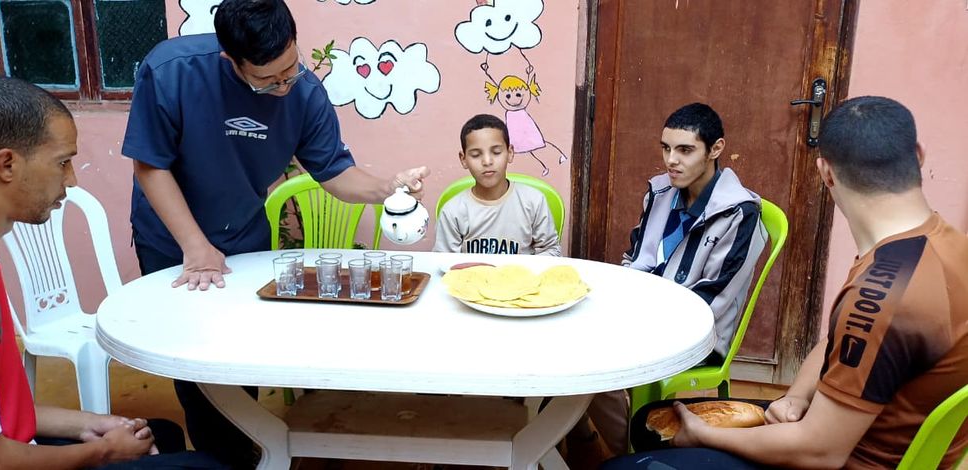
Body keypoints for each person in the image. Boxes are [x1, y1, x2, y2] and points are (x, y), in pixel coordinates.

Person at [121, 0, 427, 465]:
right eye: (269, 80)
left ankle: (238, 445)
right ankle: (217, 456)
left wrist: (386, 188)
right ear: (231, 61)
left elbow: (333, 172)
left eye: (291, 68)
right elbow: (150, 167)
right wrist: (196, 246)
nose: (285, 85)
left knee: (240, 347)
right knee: (194, 353)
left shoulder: (304, 92)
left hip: (243, 231)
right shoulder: (172, 72)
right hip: (174, 236)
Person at [603, 96, 968, 469]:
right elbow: (835, 340)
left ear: (826, 172)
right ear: (918, 156)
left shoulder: (879, 294)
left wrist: (702, 435)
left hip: (841, 457)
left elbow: (819, 451)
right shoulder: (936, 246)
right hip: (869, 435)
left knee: (617, 464)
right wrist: (794, 396)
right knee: (650, 425)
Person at [0, 77, 224, 469]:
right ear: (6, 164)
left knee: (158, 434)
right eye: (63, 162)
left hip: (7, 445)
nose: (72, 179)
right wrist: (103, 450)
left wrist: (92, 425)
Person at [575, 103, 768, 455]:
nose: (671, 161)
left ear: (716, 149)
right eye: (666, 148)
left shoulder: (740, 214)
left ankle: (629, 455)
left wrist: (634, 317)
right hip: (642, 312)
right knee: (570, 329)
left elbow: (712, 300)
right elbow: (636, 258)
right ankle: (587, 435)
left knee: (592, 362)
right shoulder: (660, 192)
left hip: (694, 334)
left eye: (685, 150)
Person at [433, 114, 560, 256]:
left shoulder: (534, 201)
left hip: (521, 277)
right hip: (471, 278)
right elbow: (442, 261)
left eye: (496, 152)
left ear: (510, 153)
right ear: (463, 159)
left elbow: (551, 250)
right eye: (476, 155)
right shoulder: (453, 211)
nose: (487, 161)